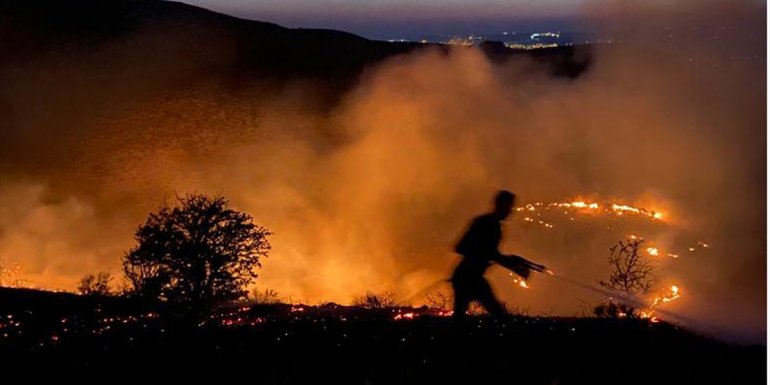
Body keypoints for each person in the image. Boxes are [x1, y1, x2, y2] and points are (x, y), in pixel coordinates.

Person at [451, 190, 545, 319]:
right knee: (497, 314)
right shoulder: (486, 223)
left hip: (469, 276)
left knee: (464, 317)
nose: (511, 211)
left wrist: (514, 263)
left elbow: (491, 253)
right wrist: (513, 266)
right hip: (468, 277)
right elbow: (462, 247)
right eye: (509, 207)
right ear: (500, 205)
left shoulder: (491, 224)